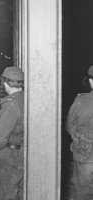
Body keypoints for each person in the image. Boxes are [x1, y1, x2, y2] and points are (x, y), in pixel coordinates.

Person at [0, 66, 24, 200]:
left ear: (5, 83)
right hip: (23, 154)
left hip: (9, 157)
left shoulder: (11, 105)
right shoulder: (26, 100)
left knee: (5, 195)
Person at [66, 65, 93, 200]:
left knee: (83, 192)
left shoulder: (80, 101)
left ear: (90, 81)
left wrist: (79, 137)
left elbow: (69, 126)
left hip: (85, 155)